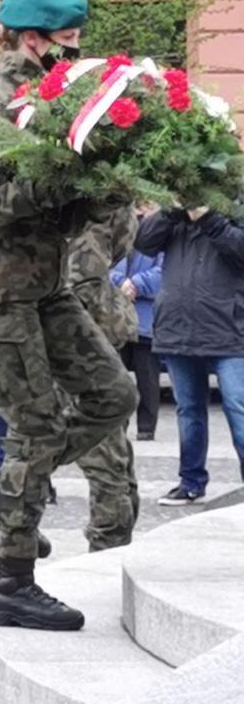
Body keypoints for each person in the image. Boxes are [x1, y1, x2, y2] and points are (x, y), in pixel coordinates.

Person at [0, 0, 135, 631]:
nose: (74, 53)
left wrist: (99, 188)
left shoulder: (56, 103)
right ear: (32, 40)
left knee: (116, 395)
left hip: (47, 285)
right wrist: (63, 174)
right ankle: (13, 581)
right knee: (38, 431)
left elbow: (66, 211)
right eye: (67, 43)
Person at [134, 204, 244, 506]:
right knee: (189, 409)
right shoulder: (175, 214)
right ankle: (191, 481)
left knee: (238, 406)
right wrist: (172, 211)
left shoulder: (234, 204)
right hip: (178, 326)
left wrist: (211, 220)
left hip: (230, 328)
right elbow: (143, 242)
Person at [67, 207, 141, 550]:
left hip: (91, 350)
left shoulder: (92, 219)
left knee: (113, 460)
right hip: (85, 351)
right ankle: (108, 549)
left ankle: (110, 547)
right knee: (109, 460)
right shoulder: (87, 222)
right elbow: (85, 287)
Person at [111, 209, 164, 441]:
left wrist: (136, 283)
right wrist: (120, 282)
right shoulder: (117, 227)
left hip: (146, 317)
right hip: (116, 316)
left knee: (148, 377)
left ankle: (146, 427)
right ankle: (116, 426)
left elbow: (165, 271)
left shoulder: (162, 231)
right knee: (116, 376)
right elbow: (102, 264)